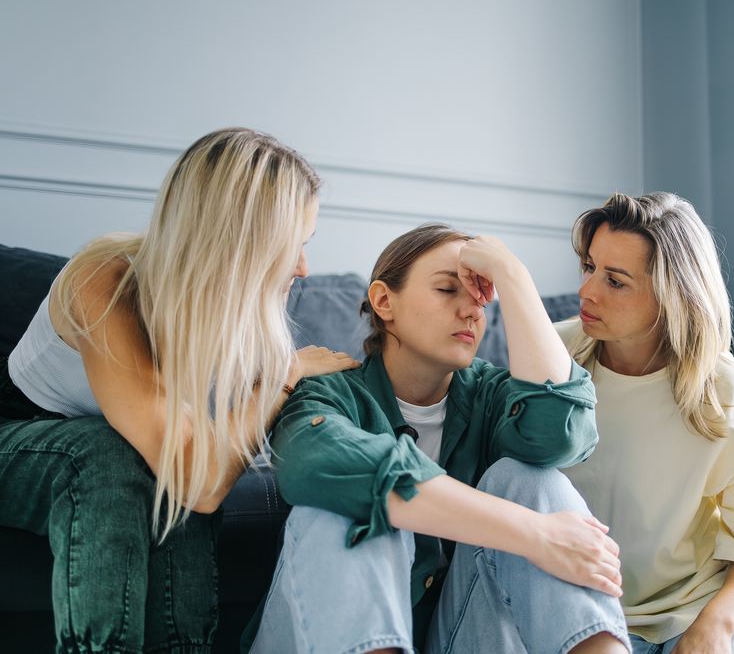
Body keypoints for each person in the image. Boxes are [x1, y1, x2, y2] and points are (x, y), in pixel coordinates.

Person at [0, 127, 358, 653]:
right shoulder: (104, 279)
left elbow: (193, 469)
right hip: (18, 438)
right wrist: (287, 373)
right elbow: (202, 479)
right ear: (241, 240)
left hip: (123, 454)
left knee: (165, 461)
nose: (304, 267)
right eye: (295, 246)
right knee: (118, 455)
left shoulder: (227, 312)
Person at [247, 223, 630, 654]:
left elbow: (561, 436)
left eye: (482, 298)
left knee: (532, 479)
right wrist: (537, 534)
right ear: (384, 301)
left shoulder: (490, 395)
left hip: (455, 637)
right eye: (448, 289)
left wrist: (512, 273)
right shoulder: (328, 392)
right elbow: (312, 465)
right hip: (319, 639)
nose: (470, 310)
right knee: (350, 504)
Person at [557, 192, 734, 654]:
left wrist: (716, 625)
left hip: (714, 602)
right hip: (600, 614)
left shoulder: (721, 388)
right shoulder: (556, 358)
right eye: (589, 267)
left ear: (672, 296)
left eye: (615, 281)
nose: (586, 292)